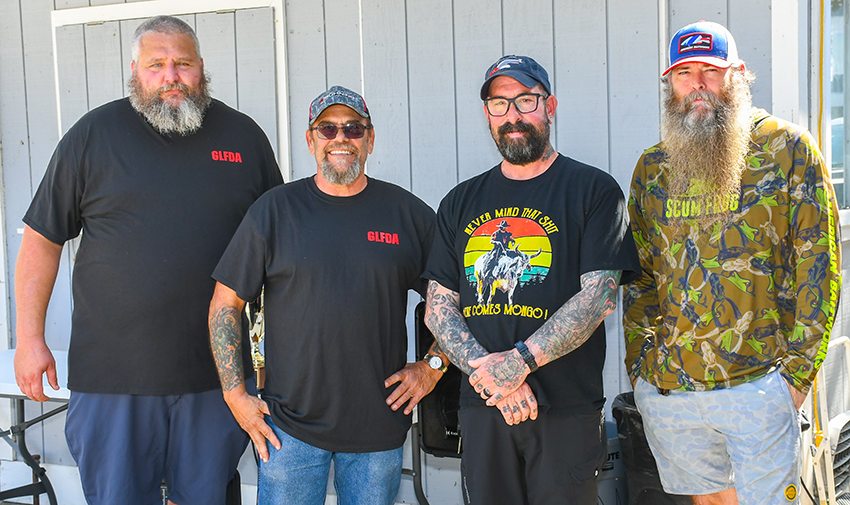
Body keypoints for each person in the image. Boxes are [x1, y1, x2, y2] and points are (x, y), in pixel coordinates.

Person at [13, 16, 283, 505]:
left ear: (202, 68)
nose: (171, 76)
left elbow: (279, 254)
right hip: (113, 379)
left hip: (216, 380)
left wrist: (276, 359)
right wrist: (30, 340)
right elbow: (41, 239)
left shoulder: (244, 139)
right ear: (135, 70)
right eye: (156, 65)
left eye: (183, 63)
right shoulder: (93, 136)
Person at [623, 21, 841, 505]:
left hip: (760, 383)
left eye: (711, 71)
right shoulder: (653, 167)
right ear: (670, 84)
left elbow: (819, 267)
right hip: (674, 391)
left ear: (738, 75)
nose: (697, 85)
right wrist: (641, 369)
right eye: (684, 74)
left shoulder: (788, 150)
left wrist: (796, 379)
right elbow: (640, 278)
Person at [208, 85, 446, 505]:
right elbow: (225, 303)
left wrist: (433, 366)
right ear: (310, 139)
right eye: (328, 129)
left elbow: (455, 301)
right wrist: (235, 396)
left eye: (353, 129)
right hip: (288, 430)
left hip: (378, 428)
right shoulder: (274, 211)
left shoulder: (407, 215)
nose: (341, 138)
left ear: (370, 139)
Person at [423, 55, 641, 504]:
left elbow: (597, 299)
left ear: (549, 106)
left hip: (565, 409)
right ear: (488, 115)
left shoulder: (594, 191)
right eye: (499, 104)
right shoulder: (460, 201)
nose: (513, 115)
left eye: (525, 100)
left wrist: (518, 362)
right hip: (484, 407)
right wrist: (491, 376)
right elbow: (438, 308)